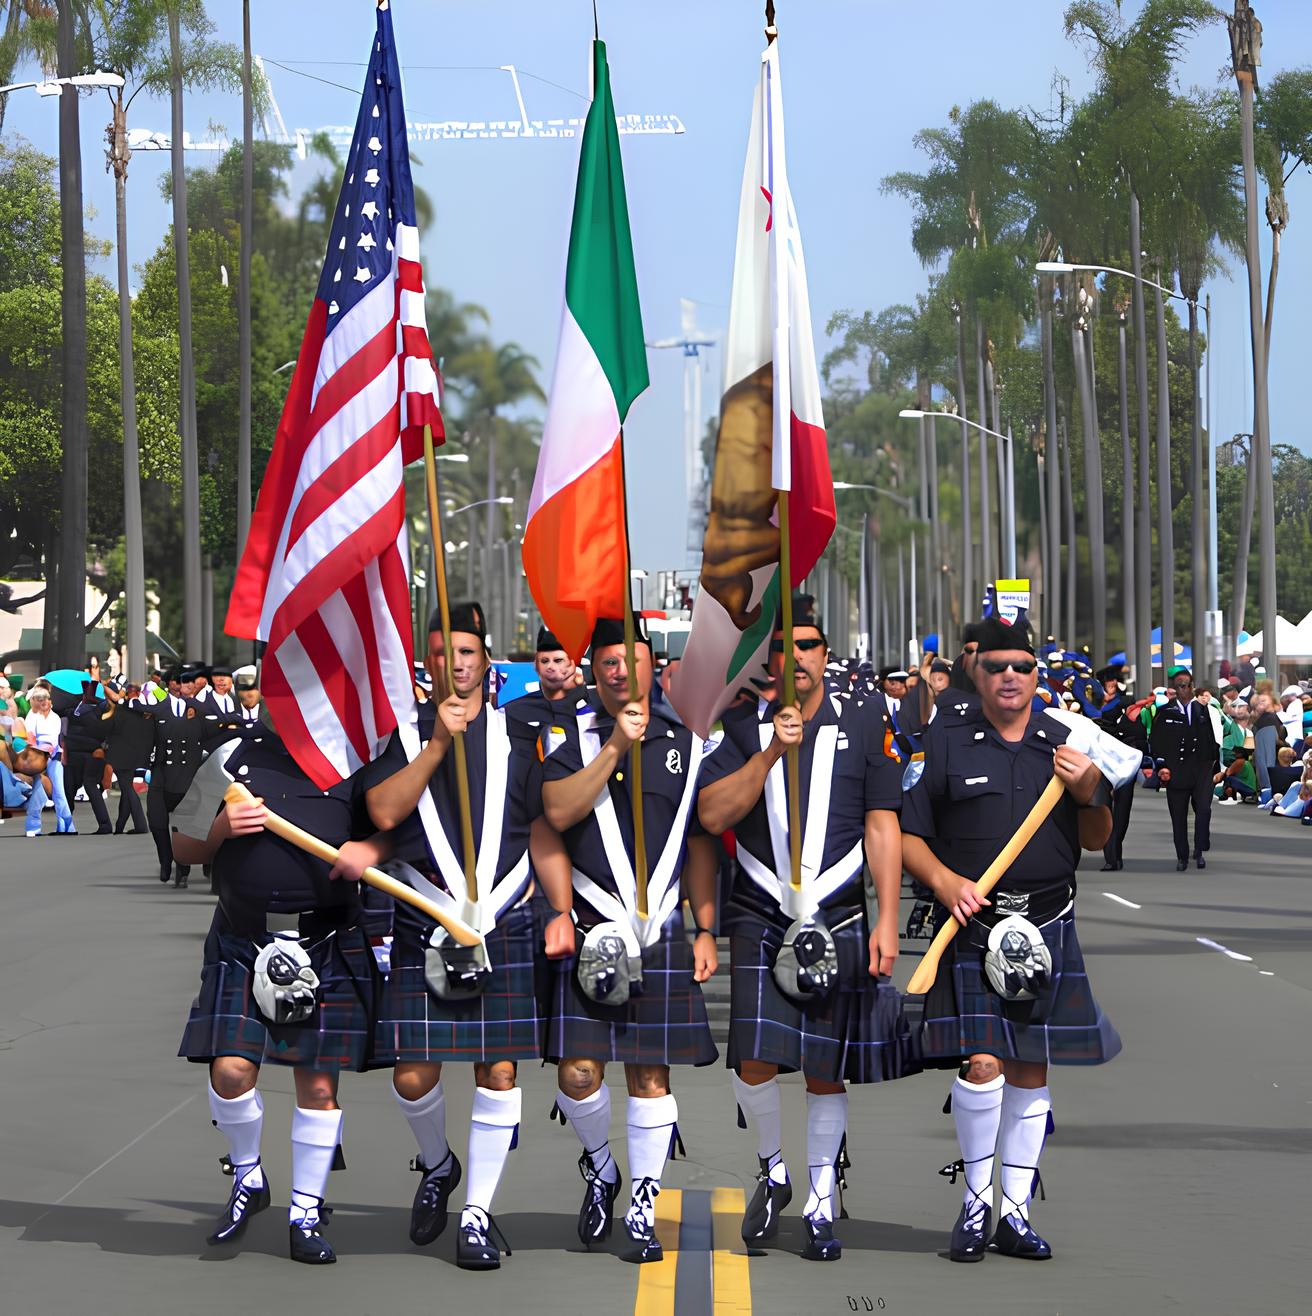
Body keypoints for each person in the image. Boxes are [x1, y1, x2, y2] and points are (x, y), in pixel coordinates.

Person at [695, 603, 918, 1261]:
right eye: (786, 648)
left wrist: (886, 919)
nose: (798, 657)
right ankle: (774, 1169)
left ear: (826, 653)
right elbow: (712, 815)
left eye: (811, 645)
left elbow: (883, 824)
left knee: (827, 1069)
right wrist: (770, 751)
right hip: (761, 910)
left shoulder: (867, 719)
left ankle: (821, 1199)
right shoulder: (739, 728)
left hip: (841, 911)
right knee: (755, 1061)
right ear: (771, 661)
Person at [901, 616, 1126, 1263]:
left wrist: (1088, 792)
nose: (1009, 677)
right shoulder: (944, 741)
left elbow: (1096, 838)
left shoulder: (1066, 740)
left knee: (1030, 1071)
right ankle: (976, 1205)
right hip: (976, 926)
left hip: (1050, 923)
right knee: (982, 1067)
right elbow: (909, 836)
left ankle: (1015, 1214)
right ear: (977, 670)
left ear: (1036, 674)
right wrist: (944, 883)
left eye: (1021, 667)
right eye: (996, 665)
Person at [363, 603, 568, 1270]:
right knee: (414, 1074)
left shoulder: (520, 732)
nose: (456, 663)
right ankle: (439, 1163)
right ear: (427, 664)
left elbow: (543, 823)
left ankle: (477, 1213)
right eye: (443, 654)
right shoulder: (405, 731)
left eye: (468, 652)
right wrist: (438, 743)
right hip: (428, 916)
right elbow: (385, 810)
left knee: (499, 1069)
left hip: (503, 919)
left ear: (486, 661)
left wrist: (558, 905)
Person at [173, 704, 387, 1265]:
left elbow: (395, 831)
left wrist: (370, 851)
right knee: (230, 1069)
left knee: (317, 1089)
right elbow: (184, 845)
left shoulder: (353, 763)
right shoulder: (230, 758)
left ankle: (306, 1212)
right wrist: (221, 829)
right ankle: (248, 1179)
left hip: (325, 941)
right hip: (243, 937)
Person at [539, 616, 719, 1264]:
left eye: (631, 660)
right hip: (592, 925)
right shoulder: (571, 735)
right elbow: (556, 816)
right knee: (579, 1072)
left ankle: (642, 1202)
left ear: (652, 665)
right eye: (609, 661)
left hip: (664, 930)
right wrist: (614, 745)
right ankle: (600, 1165)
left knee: (649, 1074)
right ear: (596, 670)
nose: (621, 671)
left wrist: (704, 926)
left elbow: (699, 842)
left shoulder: (690, 742)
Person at [1149, 667, 1222, 871]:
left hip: (1201, 767)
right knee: (1178, 815)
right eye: (1179, 686)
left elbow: (1210, 738)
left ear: (1192, 687)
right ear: (1175, 688)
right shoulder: (1165, 712)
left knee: (1204, 809)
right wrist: (1162, 766)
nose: (1183, 689)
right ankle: (1182, 855)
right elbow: (1156, 742)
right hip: (1177, 768)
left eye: (1187, 685)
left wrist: (1214, 763)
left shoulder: (1202, 710)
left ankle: (1199, 851)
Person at [146, 665, 211, 886]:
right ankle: (166, 860)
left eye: (185, 682)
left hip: (190, 774)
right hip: (161, 773)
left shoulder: (203, 710)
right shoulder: (157, 708)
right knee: (156, 820)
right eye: (176, 681)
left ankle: (182, 869)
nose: (179, 685)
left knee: (185, 824)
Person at [1096, 664, 1147, 871]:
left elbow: (1140, 740)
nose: (1111, 685)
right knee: (1106, 809)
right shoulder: (1096, 705)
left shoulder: (1127, 712)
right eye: (1107, 682)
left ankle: (1115, 850)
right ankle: (1112, 856)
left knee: (1122, 812)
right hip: (1105, 767)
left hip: (1125, 768)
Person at [501, 626, 589, 741]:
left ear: (573, 665)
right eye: (544, 661)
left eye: (558, 661)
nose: (550, 667)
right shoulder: (515, 710)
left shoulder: (594, 706)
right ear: (536, 666)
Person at [20, 684, 74, 836]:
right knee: (37, 789)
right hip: (36, 757)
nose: (42, 701)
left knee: (59, 792)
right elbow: (29, 734)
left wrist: (47, 750)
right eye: (39, 699)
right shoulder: (32, 715)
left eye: (45, 698)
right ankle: (33, 827)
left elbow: (54, 739)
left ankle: (67, 826)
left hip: (53, 756)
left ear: (50, 701)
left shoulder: (55, 718)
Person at [101, 680, 153, 834]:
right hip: (137, 755)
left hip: (120, 755)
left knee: (128, 789)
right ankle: (120, 826)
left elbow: (109, 729)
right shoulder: (147, 711)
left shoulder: (121, 709)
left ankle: (141, 825)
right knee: (126, 790)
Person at [62, 679, 113, 834]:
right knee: (72, 789)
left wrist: (103, 749)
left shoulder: (74, 711)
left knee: (81, 788)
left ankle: (103, 825)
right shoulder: (75, 711)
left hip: (88, 754)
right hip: (81, 754)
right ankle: (66, 826)